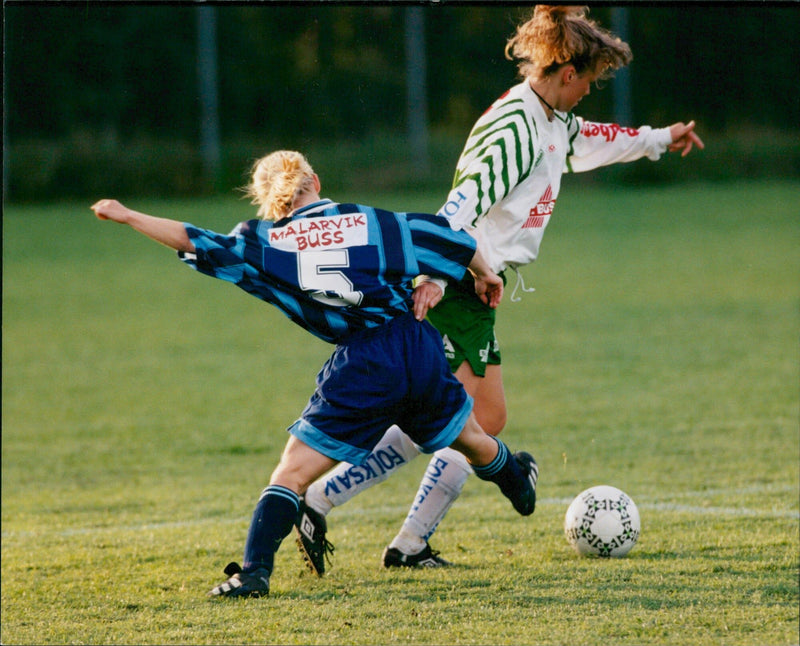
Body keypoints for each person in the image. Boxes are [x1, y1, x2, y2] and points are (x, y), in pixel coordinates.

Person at [297, 4, 705, 573]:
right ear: (567, 73)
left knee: (453, 416)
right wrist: (438, 275)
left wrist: (661, 138)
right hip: (461, 281)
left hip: (470, 281)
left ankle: (362, 521)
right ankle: (345, 513)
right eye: (589, 81)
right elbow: (465, 200)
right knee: (474, 418)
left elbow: (593, 140)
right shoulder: (516, 129)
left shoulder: (550, 119)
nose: (590, 91)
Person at [90, 150, 539, 598]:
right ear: (316, 182)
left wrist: (128, 215)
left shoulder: (262, 240)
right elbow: (450, 236)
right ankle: (517, 481)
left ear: (267, 201)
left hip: (365, 363)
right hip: (416, 344)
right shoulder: (371, 220)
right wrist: (484, 276)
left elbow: (192, 239)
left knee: (291, 475)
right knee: (475, 439)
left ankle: (253, 573)